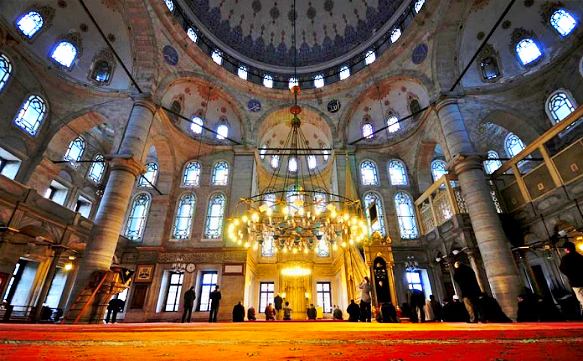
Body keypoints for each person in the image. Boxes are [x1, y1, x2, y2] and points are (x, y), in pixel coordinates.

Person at [559, 241, 583, 313]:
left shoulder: (565, 258)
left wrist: (570, 275)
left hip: (575, 283)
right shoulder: (580, 256)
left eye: (564, 249)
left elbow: (562, 269)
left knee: (581, 299)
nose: (564, 250)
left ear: (567, 249)